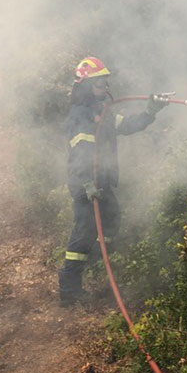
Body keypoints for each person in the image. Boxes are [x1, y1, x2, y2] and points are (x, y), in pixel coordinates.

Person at [58, 56, 168, 306]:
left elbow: (127, 125)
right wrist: (86, 184)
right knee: (83, 233)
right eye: (99, 83)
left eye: (106, 82)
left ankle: (99, 264)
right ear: (86, 85)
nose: (105, 88)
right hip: (86, 185)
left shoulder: (102, 111)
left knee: (112, 218)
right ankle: (69, 288)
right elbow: (79, 154)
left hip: (102, 182)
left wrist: (151, 111)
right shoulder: (80, 115)